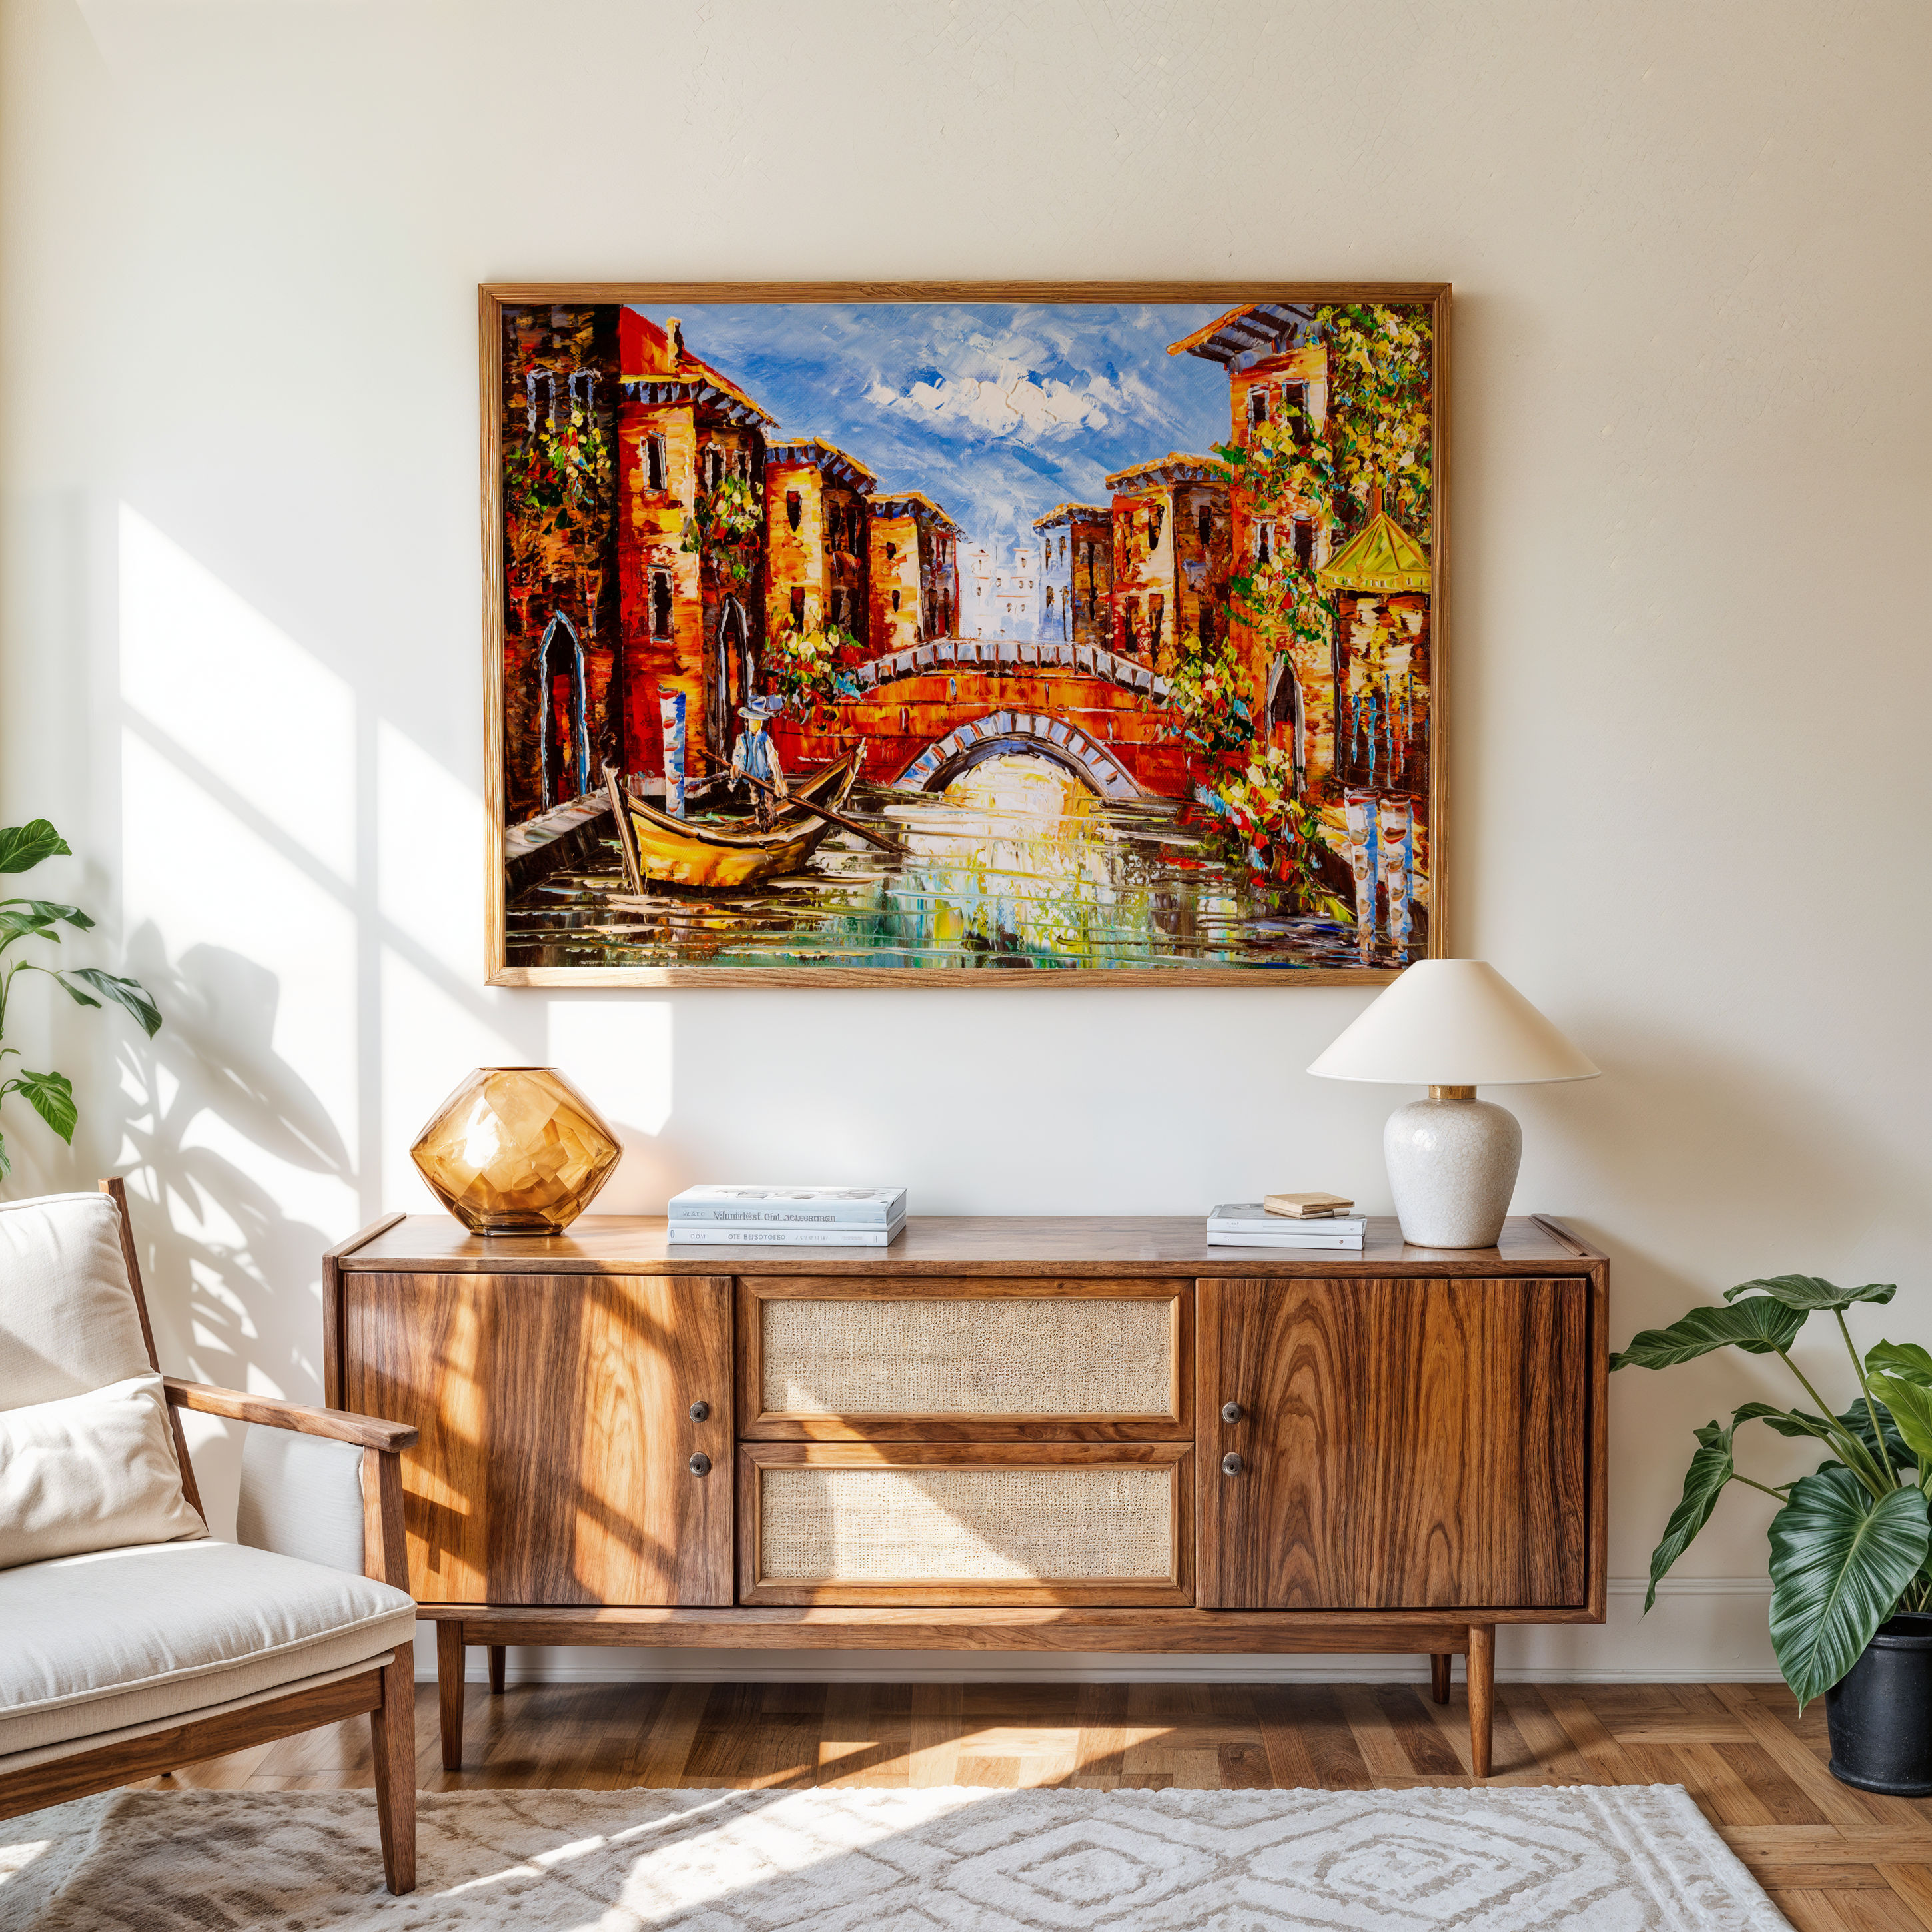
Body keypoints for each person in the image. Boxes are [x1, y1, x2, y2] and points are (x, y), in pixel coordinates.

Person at [729, 696, 789, 829]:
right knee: (757, 803)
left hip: (766, 778)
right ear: (747, 721)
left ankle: (774, 825)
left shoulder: (765, 738)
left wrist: (779, 780)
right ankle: (761, 827)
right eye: (753, 720)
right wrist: (736, 768)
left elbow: (773, 758)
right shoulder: (743, 739)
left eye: (759, 720)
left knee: (769, 803)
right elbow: (739, 755)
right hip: (753, 778)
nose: (756, 724)